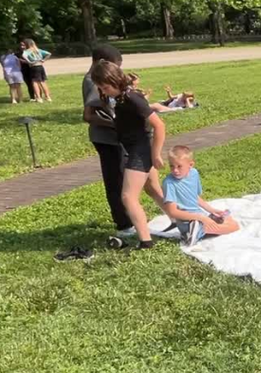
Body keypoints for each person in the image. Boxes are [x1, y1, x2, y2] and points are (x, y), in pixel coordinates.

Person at [89, 59, 166, 251]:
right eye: (101, 88)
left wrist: (156, 154)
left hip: (140, 150)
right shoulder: (122, 97)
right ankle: (182, 221)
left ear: (115, 80)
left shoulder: (132, 98)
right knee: (154, 190)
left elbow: (159, 125)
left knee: (128, 197)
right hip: (134, 148)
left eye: (106, 87)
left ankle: (146, 241)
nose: (104, 91)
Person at [82, 45, 135, 237]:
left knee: (122, 177)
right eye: (115, 67)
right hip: (106, 139)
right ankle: (124, 223)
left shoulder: (95, 79)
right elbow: (88, 115)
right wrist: (114, 123)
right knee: (115, 180)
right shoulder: (93, 82)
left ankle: (128, 217)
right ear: (102, 64)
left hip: (113, 137)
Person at [161, 145, 240, 247]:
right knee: (234, 227)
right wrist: (200, 218)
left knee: (226, 218)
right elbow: (173, 212)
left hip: (199, 216)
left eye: (179, 166)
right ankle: (192, 233)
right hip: (187, 221)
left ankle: (198, 229)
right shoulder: (169, 183)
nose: (175, 170)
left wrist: (211, 210)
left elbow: (194, 197)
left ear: (191, 165)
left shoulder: (194, 174)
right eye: (171, 166)